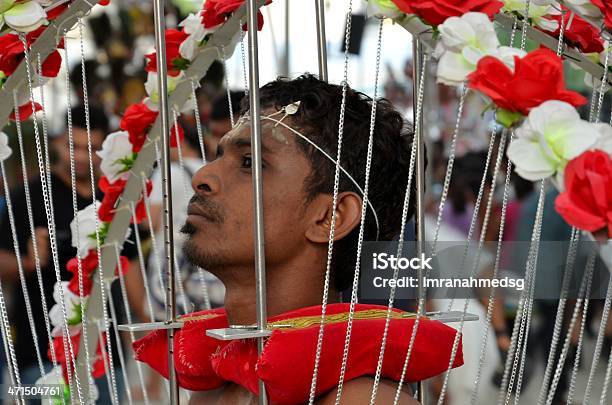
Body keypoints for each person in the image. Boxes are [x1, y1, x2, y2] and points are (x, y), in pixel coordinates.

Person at [133, 75, 463, 404]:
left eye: (250, 163)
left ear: (330, 217)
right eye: (220, 156)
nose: (203, 177)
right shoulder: (219, 386)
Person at [0, 105, 140, 402]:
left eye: (90, 148)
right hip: (40, 352)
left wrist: (145, 329)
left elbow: (132, 271)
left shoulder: (115, 198)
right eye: (72, 146)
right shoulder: (29, 196)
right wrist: (28, 262)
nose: (79, 156)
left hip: (105, 356)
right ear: (57, 142)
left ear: (104, 149)